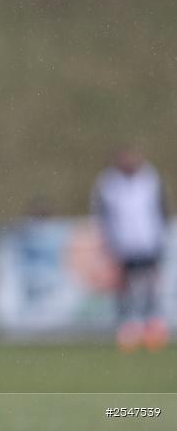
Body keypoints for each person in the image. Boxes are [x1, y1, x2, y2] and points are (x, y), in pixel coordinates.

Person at [90, 146, 169, 352]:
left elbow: (162, 208)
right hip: (122, 243)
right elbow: (101, 213)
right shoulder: (108, 183)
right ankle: (128, 329)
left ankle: (153, 327)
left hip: (149, 240)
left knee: (151, 284)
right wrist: (106, 240)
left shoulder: (150, 179)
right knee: (124, 287)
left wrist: (162, 235)